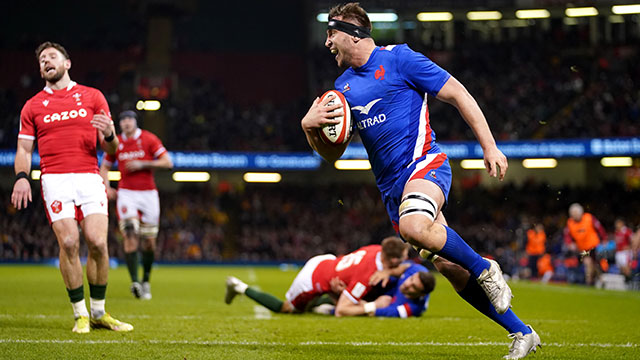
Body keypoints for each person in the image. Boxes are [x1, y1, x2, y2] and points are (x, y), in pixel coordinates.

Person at [299, 3, 539, 358]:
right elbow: (332, 156)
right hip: (392, 190)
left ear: (351, 32)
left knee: (415, 227)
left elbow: (458, 93)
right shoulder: (342, 88)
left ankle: (485, 267)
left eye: (330, 34)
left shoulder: (401, 59)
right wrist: (310, 127)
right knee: (451, 270)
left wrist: (490, 147)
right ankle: (522, 332)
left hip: (424, 165)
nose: (327, 43)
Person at [10, 42, 133, 333]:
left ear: (67, 63)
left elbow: (112, 147)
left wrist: (110, 133)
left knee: (98, 243)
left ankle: (99, 313)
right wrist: (21, 177)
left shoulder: (92, 96)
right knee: (67, 243)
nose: (46, 61)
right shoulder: (33, 106)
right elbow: (24, 149)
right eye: (42, 60)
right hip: (54, 178)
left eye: (52, 57)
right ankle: (80, 313)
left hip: (89, 176)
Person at [224, 236, 408, 314]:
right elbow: (342, 311)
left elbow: (402, 267)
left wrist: (389, 271)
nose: (403, 262)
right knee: (288, 309)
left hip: (328, 262)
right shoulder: (366, 276)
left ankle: (321, 302)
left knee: (341, 295)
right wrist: (372, 307)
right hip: (312, 278)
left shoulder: (376, 250)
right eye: (401, 260)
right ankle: (239, 286)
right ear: (392, 260)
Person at [99, 110, 173, 300]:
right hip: (126, 193)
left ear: (135, 122)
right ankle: (135, 282)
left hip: (148, 194)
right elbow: (105, 166)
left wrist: (143, 164)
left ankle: (146, 280)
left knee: (149, 242)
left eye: (129, 120)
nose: (126, 123)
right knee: (130, 233)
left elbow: (167, 162)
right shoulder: (115, 142)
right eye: (122, 120)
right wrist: (106, 187)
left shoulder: (149, 139)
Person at [329, 261, 435, 318]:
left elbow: (374, 311)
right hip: (378, 287)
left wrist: (346, 299)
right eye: (411, 279)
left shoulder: (412, 308)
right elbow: (407, 266)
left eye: (414, 287)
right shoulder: (420, 271)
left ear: (421, 295)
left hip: (371, 297)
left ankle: (330, 304)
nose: (407, 284)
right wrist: (388, 272)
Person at [564, 203, 606, 285]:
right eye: (573, 214)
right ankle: (592, 281)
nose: (574, 216)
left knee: (592, 264)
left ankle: (593, 281)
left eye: (576, 213)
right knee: (589, 264)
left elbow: (599, 228)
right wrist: (569, 243)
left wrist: (604, 239)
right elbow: (567, 235)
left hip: (593, 246)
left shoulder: (589, 218)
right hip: (582, 248)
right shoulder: (570, 222)